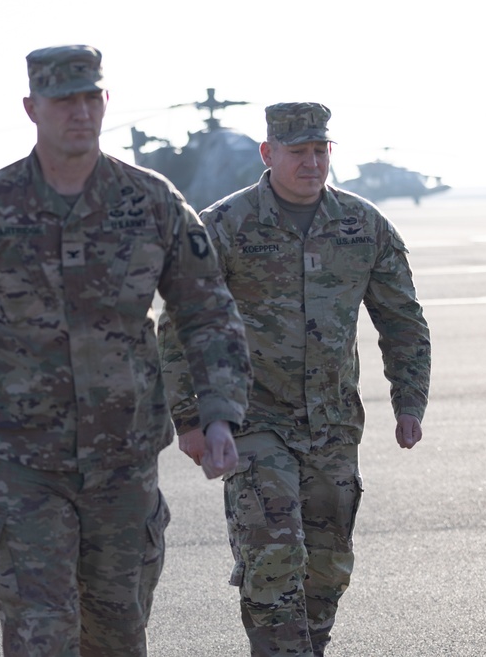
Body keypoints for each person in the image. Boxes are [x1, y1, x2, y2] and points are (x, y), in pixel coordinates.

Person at [0, 45, 252, 656]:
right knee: (42, 632)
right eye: (65, 100)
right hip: (22, 463)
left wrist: (219, 412)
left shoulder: (153, 201)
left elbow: (207, 311)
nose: (81, 111)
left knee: (118, 634)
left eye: (91, 97)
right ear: (31, 107)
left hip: (125, 461)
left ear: (106, 102)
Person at [159, 102, 431, 656]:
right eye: (297, 151)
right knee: (273, 558)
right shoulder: (223, 226)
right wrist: (188, 419)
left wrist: (410, 401)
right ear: (268, 153)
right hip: (253, 422)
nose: (311, 162)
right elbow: (180, 323)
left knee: (327, 570)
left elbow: (402, 319)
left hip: (333, 426)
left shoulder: (364, 225)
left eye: (320, 150)